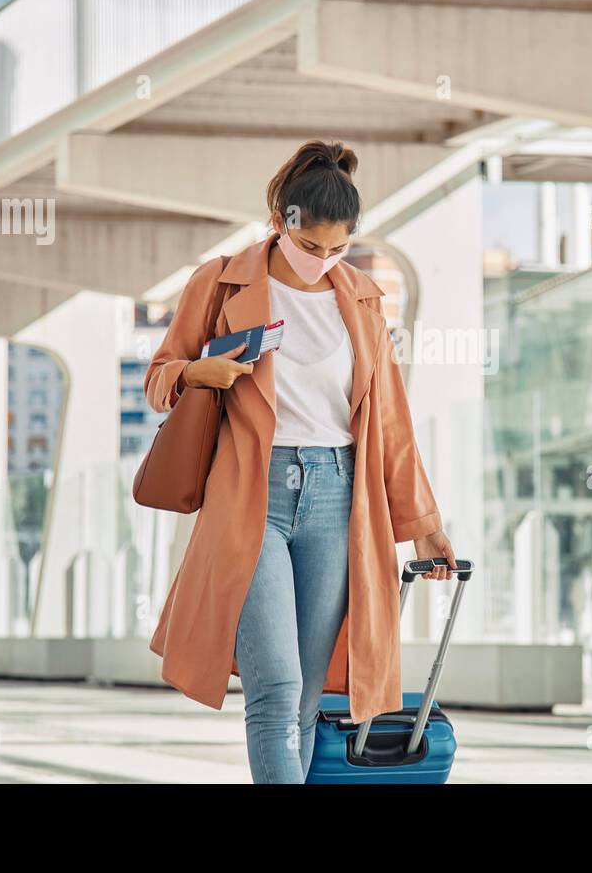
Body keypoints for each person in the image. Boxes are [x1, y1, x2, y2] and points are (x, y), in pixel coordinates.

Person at [143, 138, 457, 783]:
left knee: (311, 699)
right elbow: (158, 378)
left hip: (339, 498)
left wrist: (427, 529)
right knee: (277, 688)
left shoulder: (363, 300)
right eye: (311, 246)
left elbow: (390, 424)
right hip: (251, 497)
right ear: (283, 221)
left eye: (337, 249)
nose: (322, 260)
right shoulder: (222, 279)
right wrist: (198, 371)